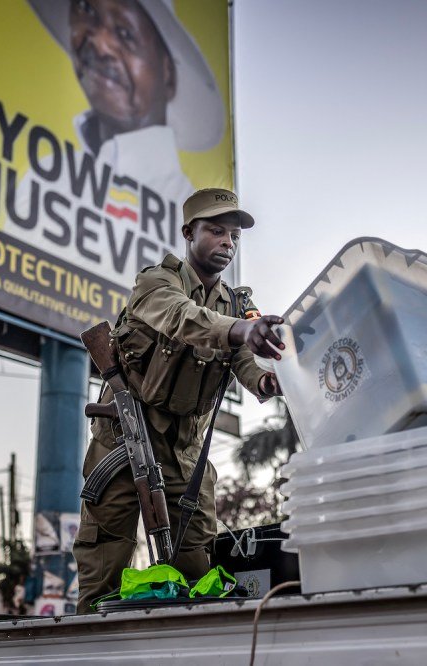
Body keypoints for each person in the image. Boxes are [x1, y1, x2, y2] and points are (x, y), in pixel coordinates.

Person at [73, 187, 283, 612]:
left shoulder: (237, 304)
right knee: (105, 557)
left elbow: (243, 357)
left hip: (185, 448)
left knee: (198, 569)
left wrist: (264, 382)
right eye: (216, 231)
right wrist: (240, 330)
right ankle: (90, 643)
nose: (227, 242)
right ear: (189, 232)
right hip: (125, 435)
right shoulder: (156, 282)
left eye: (234, 237)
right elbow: (181, 317)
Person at [11, 0, 229, 286]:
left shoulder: (184, 213)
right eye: (87, 11)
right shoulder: (49, 172)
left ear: (167, 72)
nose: (99, 45)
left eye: (125, 34)